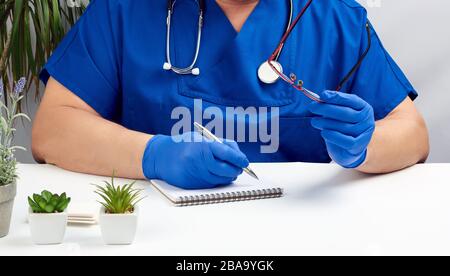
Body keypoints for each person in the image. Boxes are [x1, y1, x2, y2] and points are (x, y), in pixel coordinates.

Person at [32, 0, 429, 189]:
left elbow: (412, 133)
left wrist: (366, 144)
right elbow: (53, 129)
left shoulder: (333, 19)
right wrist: (154, 155)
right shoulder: (124, 11)